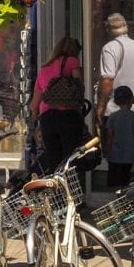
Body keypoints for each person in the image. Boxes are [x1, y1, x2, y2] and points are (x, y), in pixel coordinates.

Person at [35, 36, 88, 175]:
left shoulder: (44, 69)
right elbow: (79, 87)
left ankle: (57, 186)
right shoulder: (73, 61)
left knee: (53, 159)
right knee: (71, 158)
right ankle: (70, 185)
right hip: (68, 116)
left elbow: (34, 103)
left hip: (47, 118)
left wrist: (36, 123)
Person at [98, 12, 134, 127]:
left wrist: (100, 107)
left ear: (108, 29)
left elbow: (108, 80)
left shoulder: (109, 48)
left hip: (115, 110)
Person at [104, 85, 134, 190]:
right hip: (129, 155)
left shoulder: (113, 117)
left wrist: (107, 151)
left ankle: (116, 197)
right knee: (125, 181)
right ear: (131, 99)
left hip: (114, 155)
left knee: (114, 181)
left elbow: (110, 137)